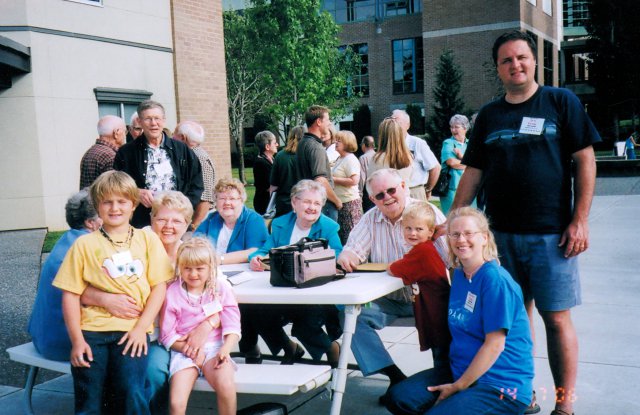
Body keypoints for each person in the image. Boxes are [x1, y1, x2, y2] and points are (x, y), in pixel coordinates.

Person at [451, 30, 601, 415]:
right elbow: (473, 171)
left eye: (521, 57)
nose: (515, 65)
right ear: (498, 68)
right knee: (515, 322)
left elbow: (585, 159)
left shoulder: (560, 102)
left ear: (534, 61)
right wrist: (453, 220)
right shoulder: (489, 115)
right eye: (506, 60)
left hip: (552, 235)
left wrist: (579, 221)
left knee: (557, 321)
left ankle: (565, 406)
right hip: (497, 239)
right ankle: (524, 394)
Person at [386, 207, 534, 415]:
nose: (461, 240)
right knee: (400, 397)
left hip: (499, 384)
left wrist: (458, 387)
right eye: (455, 234)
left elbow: (495, 345)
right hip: (459, 371)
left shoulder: (495, 281)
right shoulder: (459, 276)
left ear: (484, 237)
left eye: (468, 233)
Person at [80, 190, 217, 415]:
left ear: (188, 224)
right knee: (140, 376)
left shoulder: (192, 253)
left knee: (149, 376)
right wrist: (104, 298)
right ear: (151, 219)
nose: (168, 226)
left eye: (177, 220)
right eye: (161, 219)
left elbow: (222, 295)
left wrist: (207, 324)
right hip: (139, 333)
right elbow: (79, 288)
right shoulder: (132, 244)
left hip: (179, 338)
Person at [53, 170, 174, 414]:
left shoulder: (147, 240)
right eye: (107, 202)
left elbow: (158, 287)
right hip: (92, 333)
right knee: (90, 399)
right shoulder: (84, 244)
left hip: (131, 333)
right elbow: (70, 294)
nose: (115, 208)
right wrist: (77, 341)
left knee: (132, 391)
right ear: (97, 206)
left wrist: (142, 328)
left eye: (122, 201)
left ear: (133, 204)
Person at [337, 168, 448, 401]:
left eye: (391, 190)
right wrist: (347, 256)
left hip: (427, 300)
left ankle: (445, 384)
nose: (387, 197)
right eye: (379, 195)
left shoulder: (427, 214)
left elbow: (453, 257)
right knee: (349, 314)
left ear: (404, 187)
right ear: (371, 199)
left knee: (443, 334)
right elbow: (353, 249)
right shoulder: (370, 218)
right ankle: (394, 375)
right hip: (388, 300)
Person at [248, 180, 342, 367]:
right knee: (256, 313)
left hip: (315, 293)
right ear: (294, 202)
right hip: (283, 290)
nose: (312, 208)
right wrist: (256, 257)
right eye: (307, 202)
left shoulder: (329, 226)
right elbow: (265, 249)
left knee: (303, 326)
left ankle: (331, 348)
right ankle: (289, 347)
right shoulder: (281, 223)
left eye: (317, 203)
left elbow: (337, 254)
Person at [160, 237, 240, 415]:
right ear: (180, 267)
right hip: (184, 352)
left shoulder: (219, 289)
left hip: (215, 349)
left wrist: (226, 349)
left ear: (210, 267)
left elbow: (232, 323)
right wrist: (191, 351)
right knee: (176, 402)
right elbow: (167, 335)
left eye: (200, 269)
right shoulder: (172, 292)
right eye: (187, 268)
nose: (193, 274)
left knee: (226, 386)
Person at [28, 189, 102, 361]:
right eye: (105, 212)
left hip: (42, 337)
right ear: (91, 223)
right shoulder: (86, 248)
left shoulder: (68, 239)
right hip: (64, 343)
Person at [114, 100, 203, 228]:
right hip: (143, 223)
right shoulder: (126, 153)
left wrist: (184, 208)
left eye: (157, 118)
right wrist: (136, 192)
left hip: (177, 221)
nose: (154, 123)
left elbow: (197, 184)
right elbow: (116, 187)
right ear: (139, 122)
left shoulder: (182, 150)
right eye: (148, 119)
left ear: (164, 120)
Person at [386, 201, 451, 375]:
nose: (412, 233)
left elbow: (394, 269)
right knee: (442, 357)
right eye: (408, 228)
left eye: (419, 229)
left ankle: (444, 391)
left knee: (442, 361)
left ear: (431, 231)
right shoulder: (425, 248)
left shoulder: (422, 252)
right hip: (436, 314)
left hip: (437, 316)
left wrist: (391, 264)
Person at [195, 178, 268, 264]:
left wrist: (219, 260)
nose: (227, 202)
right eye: (222, 198)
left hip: (244, 272)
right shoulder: (211, 218)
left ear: (241, 201)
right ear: (216, 202)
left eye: (232, 198)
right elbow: (195, 242)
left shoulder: (254, 219)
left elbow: (254, 250)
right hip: (212, 270)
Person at [295, 105, 343, 221]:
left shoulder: (303, 143)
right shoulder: (316, 147)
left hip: (308, 203)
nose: (330, 123)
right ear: (319, 122)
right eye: (327, 120)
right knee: (325, 238)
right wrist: (337, 201)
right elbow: (320, 180)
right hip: (323, 206)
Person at [173, 121, 216, 230]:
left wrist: (194, 226)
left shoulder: (198, 158)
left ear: (183, 137)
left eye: (174, 134)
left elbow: (205, 197)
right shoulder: (190, 155)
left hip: (199, 220)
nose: (171, 138)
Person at [391, 109, 441, 200]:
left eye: (398, 123)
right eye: (392, 123)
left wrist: (428, 189)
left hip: (414, 192)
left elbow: (435, 167)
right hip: (393, 193)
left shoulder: (417, 143)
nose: (395, 127)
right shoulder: (388, 145)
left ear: (408, 125)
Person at [332, 130, 363, 244]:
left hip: (349, 204)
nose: (336, 142)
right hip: (340, 203)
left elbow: (354, 180)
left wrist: (333, 179)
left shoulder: (350, 159)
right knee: (343, 236)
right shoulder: (339, 159)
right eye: (336, 140)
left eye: (339, 140)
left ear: (347, 143)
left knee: (351, 236)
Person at [79, 115, 127, 189]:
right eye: (125, 131)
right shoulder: (112, 156)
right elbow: (116, 191)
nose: (125, 135)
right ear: (116, 133)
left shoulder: (90, 151)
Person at [439, 114, 474, 215]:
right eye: (451, 127)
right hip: (452, 188)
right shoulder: (448, 143)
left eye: (456, 127)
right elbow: (452, 163)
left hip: (470, 187)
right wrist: (470, 164)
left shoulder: (470, 143)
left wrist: (462, 158)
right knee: (452, 218)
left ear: (465, 128)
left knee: (470, 218)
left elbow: (478, 162)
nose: (453, 130)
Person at [369, 118, 414, 185]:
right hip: (404, 193)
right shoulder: (409, 156)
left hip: (384, 194)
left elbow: (371, 183)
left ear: (382, 136)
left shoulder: (376, 159)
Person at [270, 126, 303, 218]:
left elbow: (273, 186)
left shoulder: (280, 156)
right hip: (303, 202)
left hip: (283, 204)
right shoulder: (306, 155)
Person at [253, 130, 278, 214]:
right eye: (275, 143)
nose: (277, 145)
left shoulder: (272, 160)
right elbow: (268, 186)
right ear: (267, 147)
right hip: (265, 204)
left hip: (271, 202)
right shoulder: (260, 163)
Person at [359, 135, 376, 212]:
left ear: (364, 145)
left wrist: (360, 193)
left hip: (368, 190)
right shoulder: (378, 155)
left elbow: (362, 178)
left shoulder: (363, 158)